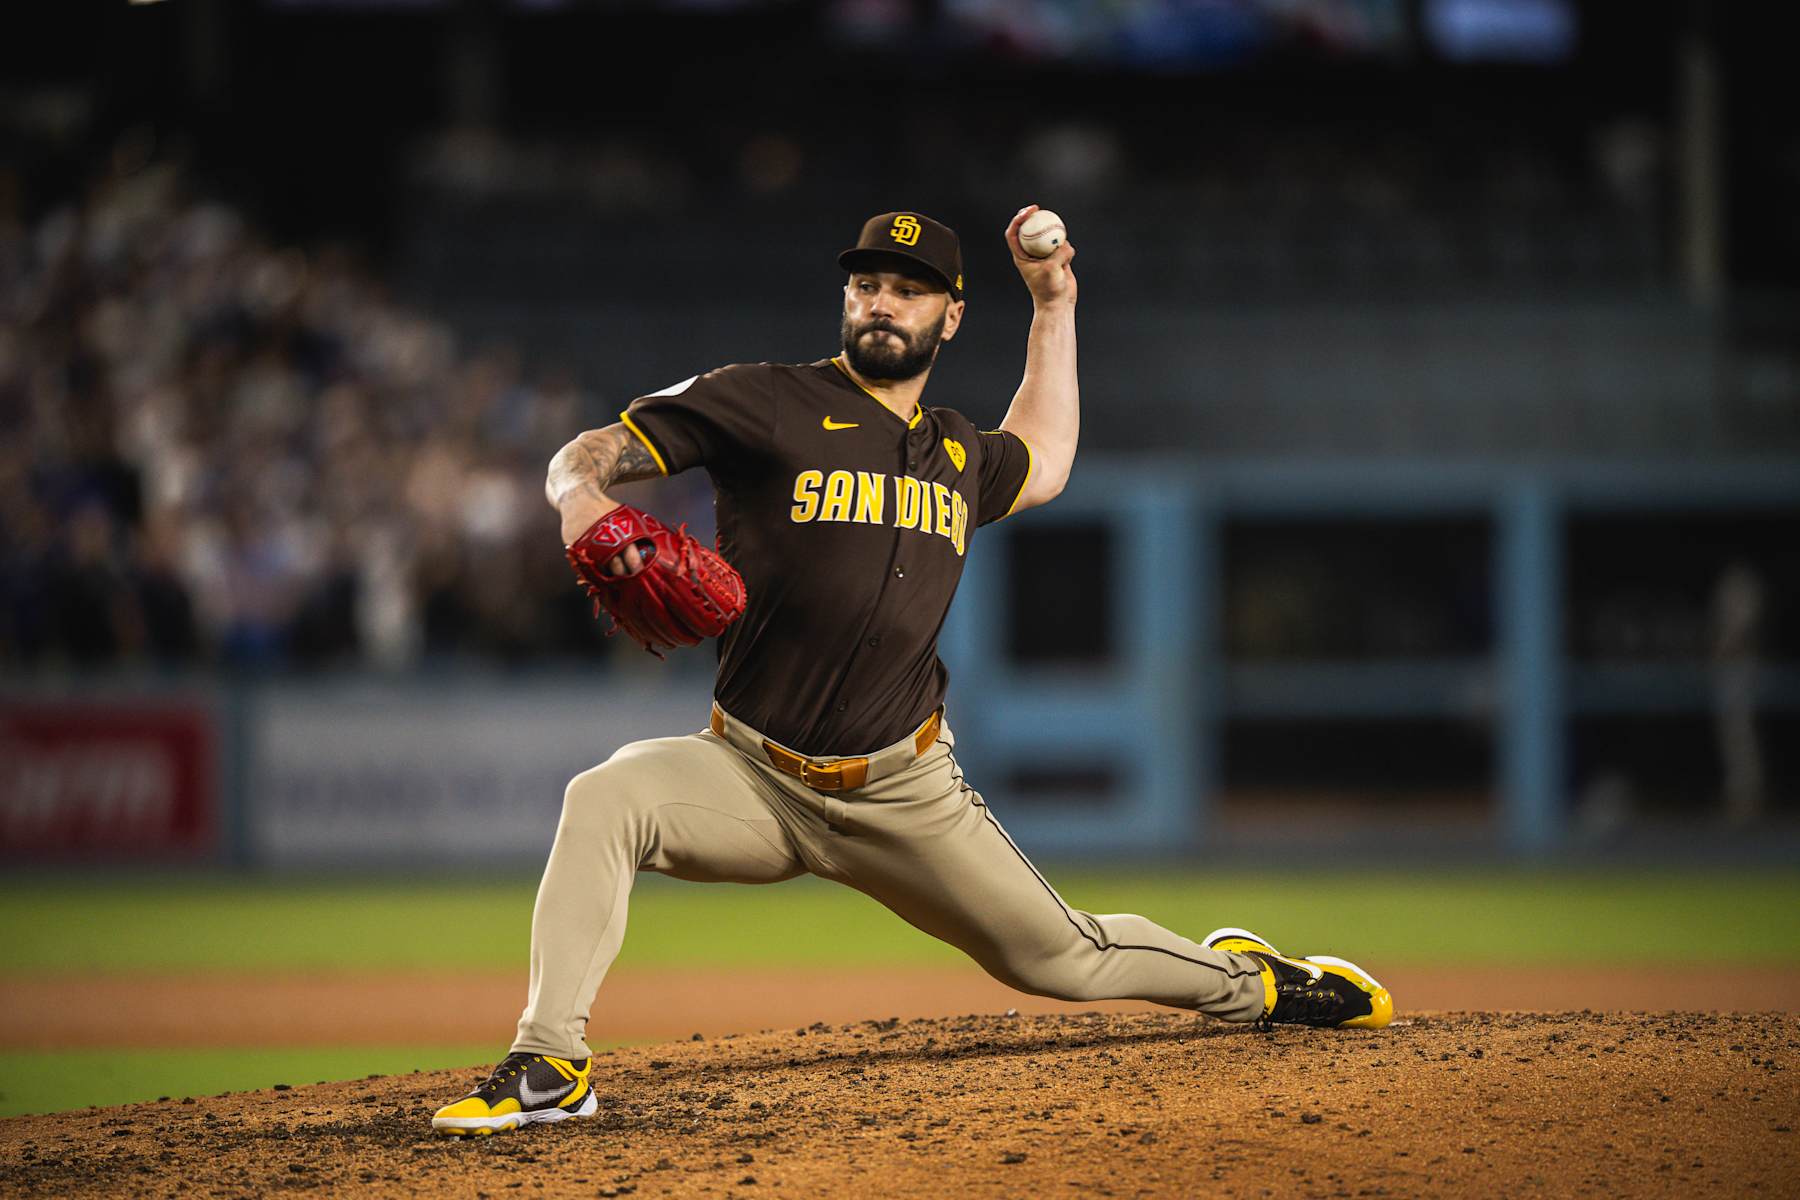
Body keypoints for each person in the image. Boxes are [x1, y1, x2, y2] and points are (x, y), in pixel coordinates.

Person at [430, 208, 1393, 1137]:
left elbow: (1048, 457)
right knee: (605, 797)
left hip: (903, 789)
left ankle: (1257, 982)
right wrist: (579, 501)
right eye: (867, 284)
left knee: (1066, 959)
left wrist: (1053, 302)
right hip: (748, 774)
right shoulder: (764, 399)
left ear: (951, 315)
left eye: (909, 289)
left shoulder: (956, 454)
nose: (883, 302)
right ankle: (549, 1064)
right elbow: (583, 453)